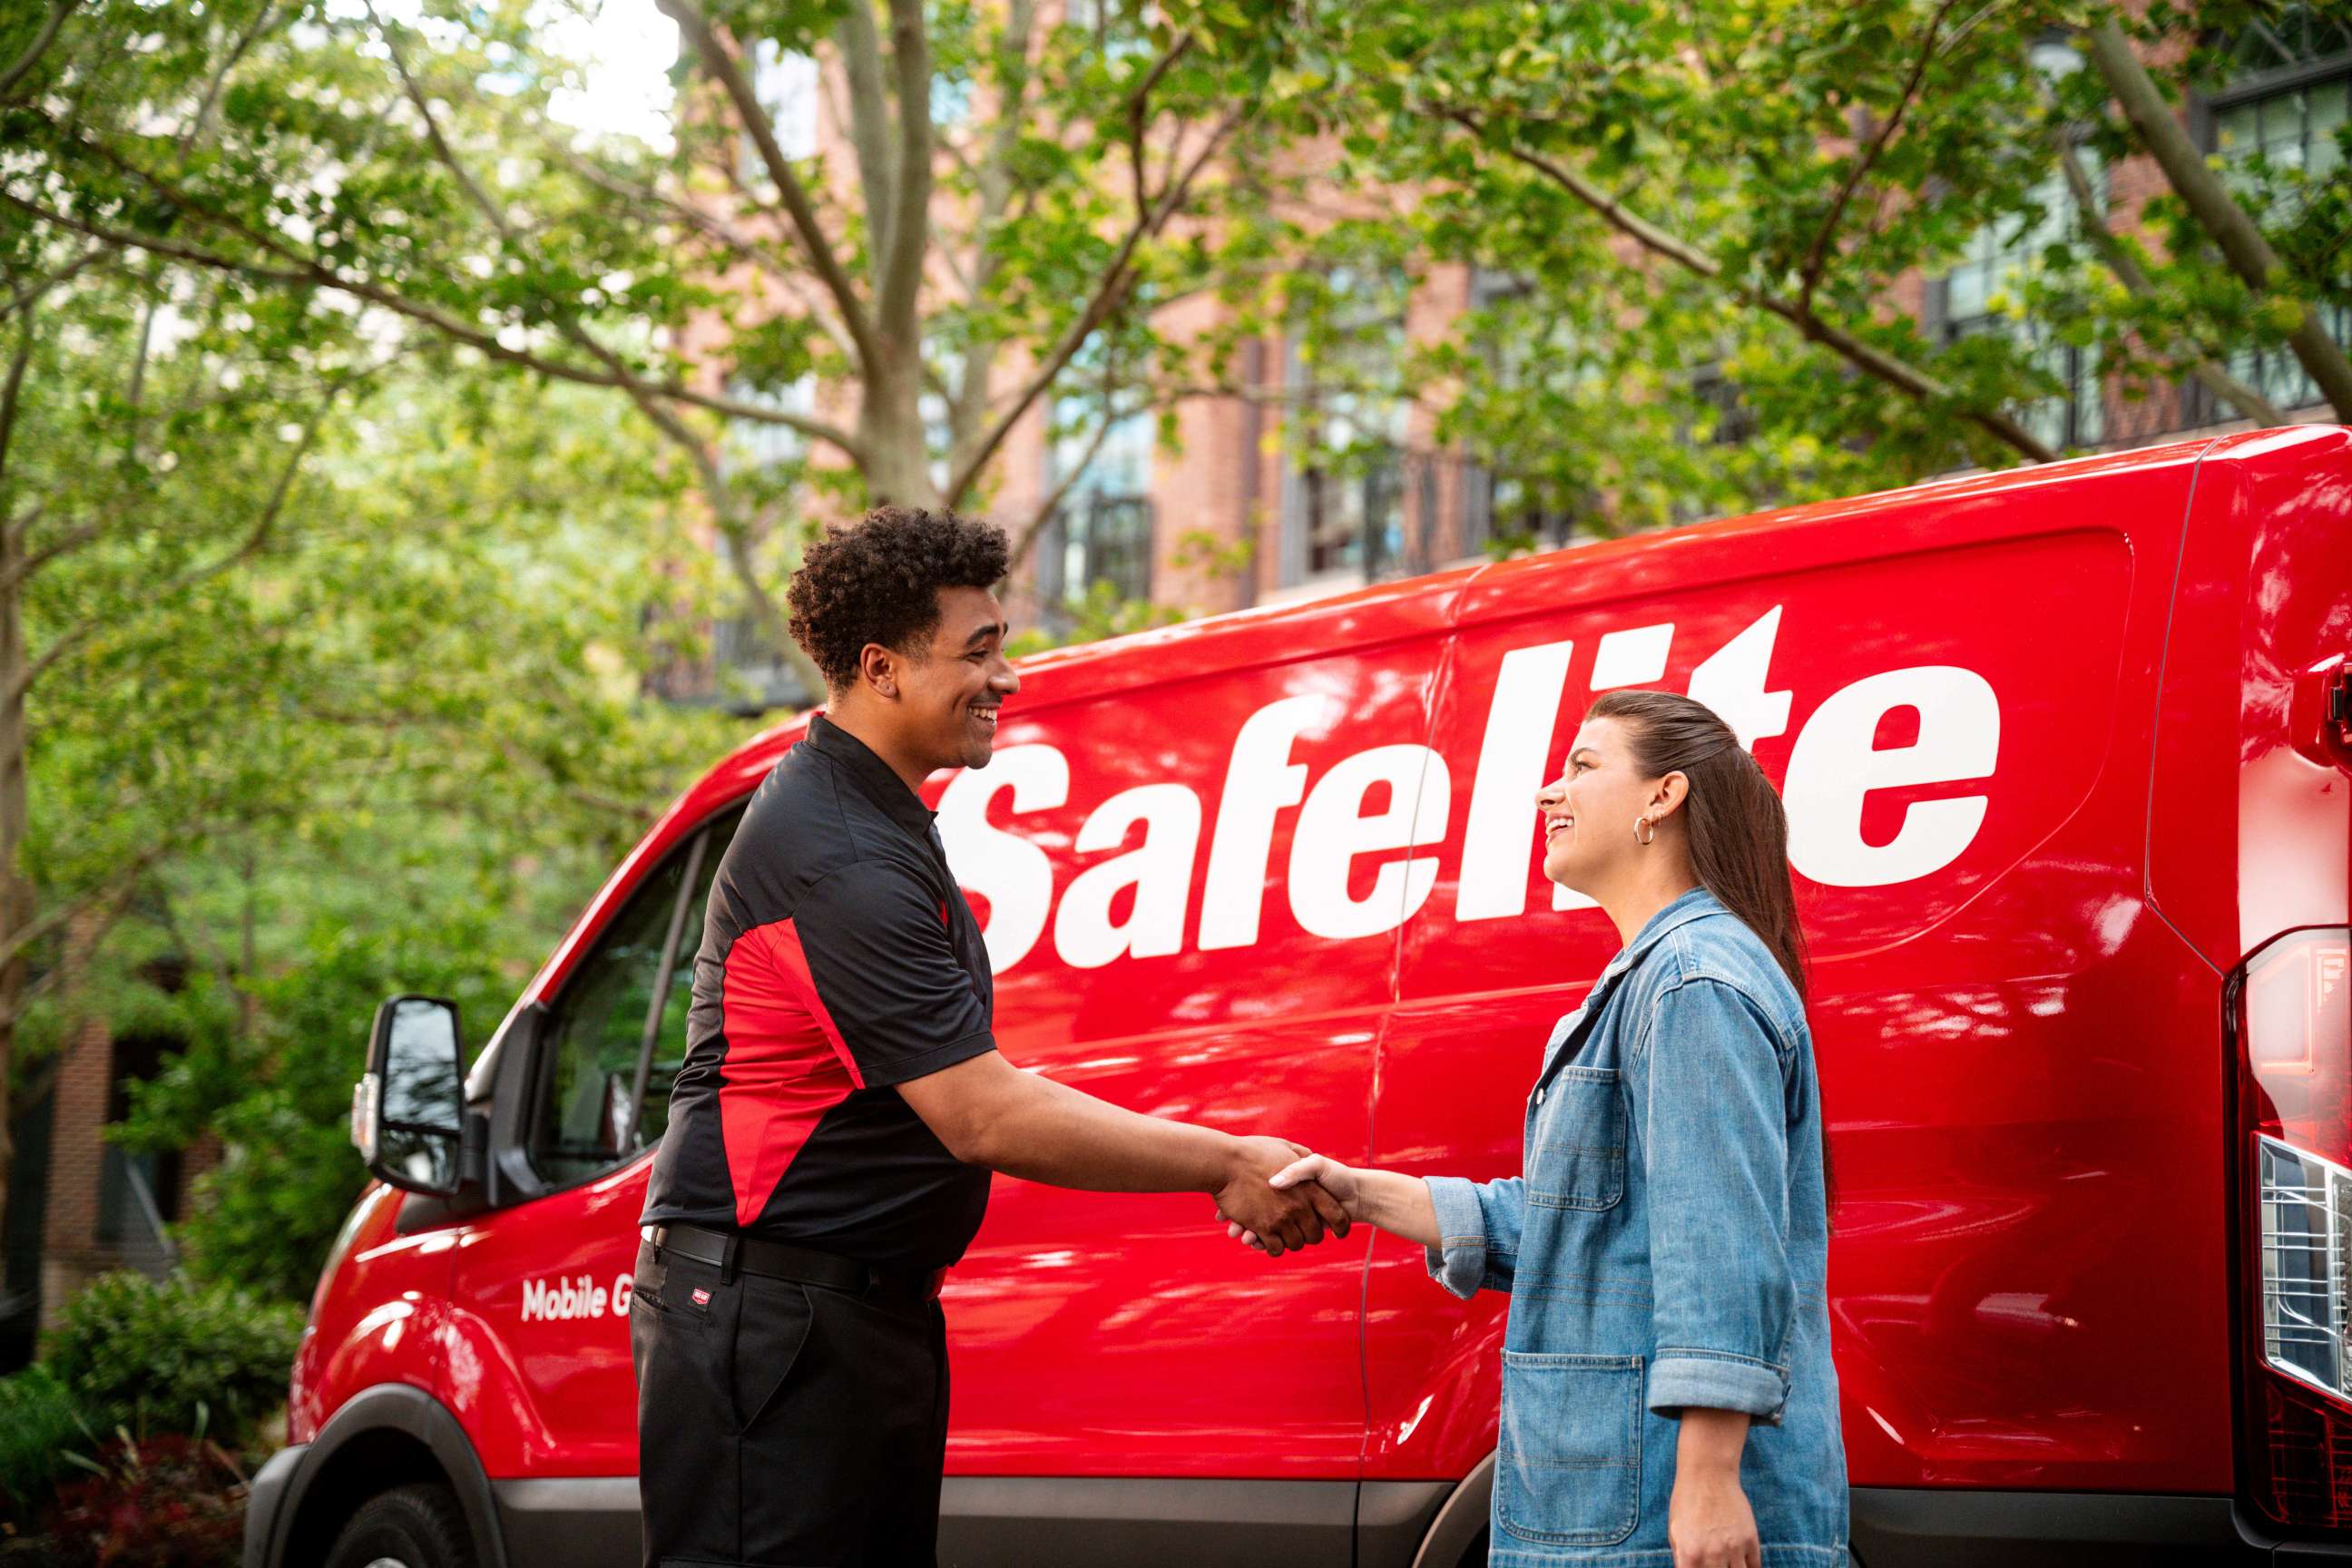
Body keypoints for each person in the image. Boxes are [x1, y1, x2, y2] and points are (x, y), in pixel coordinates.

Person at [630, 505, 1345, 1568]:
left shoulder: (875, 819)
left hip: (846, 1316)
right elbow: (982, 1114)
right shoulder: (837, 853)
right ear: (881, 668)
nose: (1007, 678)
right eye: (978, 651)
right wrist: (1226, 1162)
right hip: (771, 1323)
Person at [1245, 690, 1848, 1568]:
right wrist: (1357, 1191)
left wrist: (1709, 1479)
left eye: (1583, 765)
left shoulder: (1693, 982)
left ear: (1663, 797)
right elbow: (1580, 1228)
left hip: (1660, 1519)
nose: (1546, 792)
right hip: (1621, 1511)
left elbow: (1719, 1246)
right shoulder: (1662, 976)